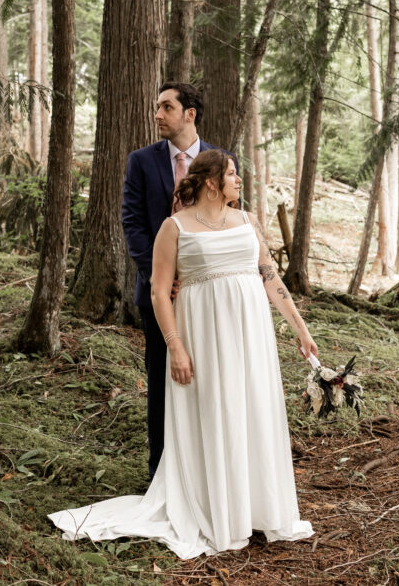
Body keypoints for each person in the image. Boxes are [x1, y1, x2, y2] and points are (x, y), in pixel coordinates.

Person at [49, 149, 316, 559]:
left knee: (252, 409)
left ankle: (258, 508)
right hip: (203, 334)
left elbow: (269, 276)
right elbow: (159, 291)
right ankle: (218, 511)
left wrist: (300, 328)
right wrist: (175, 345)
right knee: (215, 410)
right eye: (231, 174)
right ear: (212, 182)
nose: (238, 180)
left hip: (251, 335)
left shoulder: (247, 221)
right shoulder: (174, 228)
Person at [118, 82, 231, 481]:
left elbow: (229, 223)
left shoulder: (221, 160)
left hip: (210, 293)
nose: (157, 115)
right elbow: (132, 224)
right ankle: (161, 472)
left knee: (210, 376)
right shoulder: (141, 161)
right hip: (160, 295)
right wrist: (160, 280)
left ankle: (208, 470)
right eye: (157, 107)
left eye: (167, 107)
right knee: (163, 376)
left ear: (190, 114)